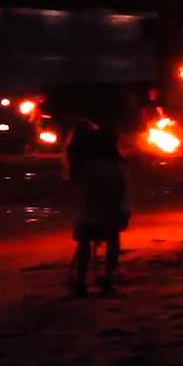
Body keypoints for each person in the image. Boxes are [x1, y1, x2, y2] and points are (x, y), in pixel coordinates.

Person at [65, 108, 128, 296]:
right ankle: (107, 280)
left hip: (90, 190)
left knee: (86, 237)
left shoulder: (82, 151)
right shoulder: (108, 152)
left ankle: (82, 282)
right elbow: (120, 184)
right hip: (107, 186)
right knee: (111, 236)